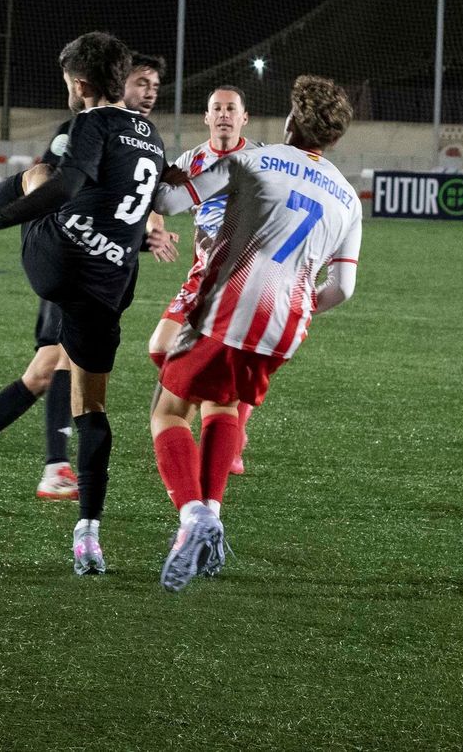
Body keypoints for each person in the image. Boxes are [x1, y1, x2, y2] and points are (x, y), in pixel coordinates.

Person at [0, 32, 168, 576]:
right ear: (125, 81)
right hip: (109, 285)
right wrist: (143, 236)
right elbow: (132, 204)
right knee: (91, 408)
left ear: (79, 84)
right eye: (144, 82)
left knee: (37, 178)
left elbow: (61, 188)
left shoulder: (87, 123)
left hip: (60, 262)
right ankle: (88, 534)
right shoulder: (151, 139)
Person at [148, 75, 361, 591]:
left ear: (290, 123)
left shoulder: (257, 160)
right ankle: (213, 518)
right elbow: (343, 288)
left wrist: (151, 172)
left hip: (230, 305)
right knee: (222, 403)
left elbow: (170, 202)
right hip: (286, 327)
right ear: (334, 138)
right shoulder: (349, 199)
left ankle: (192, 516)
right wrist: (301, 306)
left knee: (167, 411)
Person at [146, 85, 258, 475]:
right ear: (207, 117)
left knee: (233, 358)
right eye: (217, 108)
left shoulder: (262, 159)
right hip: (202, 276)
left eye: (231, 108)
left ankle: (230, 432)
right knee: (161, 347)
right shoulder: (191, 160)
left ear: (244, 117)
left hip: (246, 280)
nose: (224, 114)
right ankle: (216, 417)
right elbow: (154, 197)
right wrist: (156, 229)